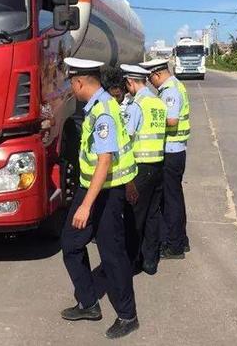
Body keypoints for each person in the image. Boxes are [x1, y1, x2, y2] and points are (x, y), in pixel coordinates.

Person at [60, 57, 140, 340]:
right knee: (70, 244)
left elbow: (105, 160)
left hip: (104, 193)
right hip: (92, 187)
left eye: (72, 82)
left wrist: (85, 205)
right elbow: (121, 149)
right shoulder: (99, 105)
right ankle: (89, 303)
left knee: (112, 254)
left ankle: (128, 316)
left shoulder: (103, 111)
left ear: (80, 82)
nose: (71, 87)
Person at [139, 57, 190, 259]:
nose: (151, 83)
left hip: (171, 151)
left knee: (170, 201)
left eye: (151, 78)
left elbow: (171, 121)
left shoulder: (169, 91)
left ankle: (174, 245)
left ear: (158, 74)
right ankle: (180, 240)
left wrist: (151, 123)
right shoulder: (175, 85)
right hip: (176, 151)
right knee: (175, 197)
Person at [120, 64, 167, 275]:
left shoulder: (136, 105)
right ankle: (150, 261)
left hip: (140, 167)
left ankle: (131, 263)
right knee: (152, 214)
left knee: (134, 216)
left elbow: (127, 137)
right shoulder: (157, 103)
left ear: (130, 82)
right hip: (159, 165)